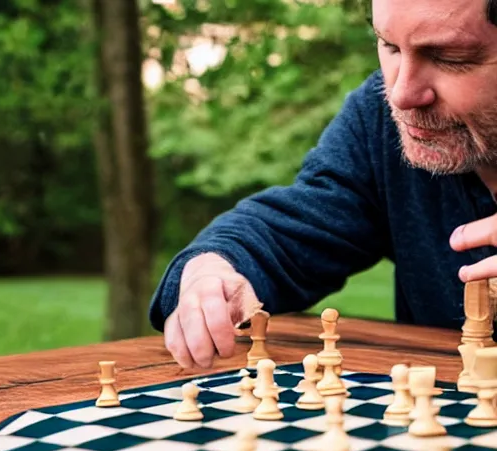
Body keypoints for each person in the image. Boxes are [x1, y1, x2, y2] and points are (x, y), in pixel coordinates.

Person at [149, 0, 497, 369]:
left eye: (451, 57)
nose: (402, 94)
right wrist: (209, 273)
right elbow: (296, 228)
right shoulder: (380, 119)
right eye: (389, 46)